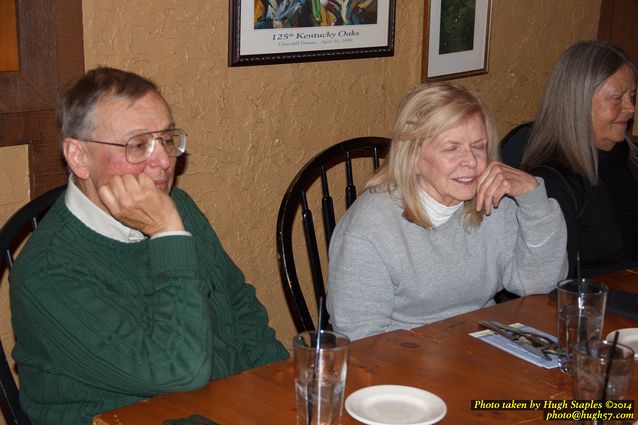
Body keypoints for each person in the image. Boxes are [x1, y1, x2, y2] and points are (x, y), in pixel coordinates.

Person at [9, 67, 289, 425]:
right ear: (79, 157)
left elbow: (237, 306)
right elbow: (176, 369)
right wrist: (167, 234)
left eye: (168, 139)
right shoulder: (47, 274)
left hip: (221, 408)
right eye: (138, 145)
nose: (163, 161)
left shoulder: (178, 205)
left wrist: (285, 390)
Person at [326, 82, 568, 341]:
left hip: (482, 346)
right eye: (451, 148)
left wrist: (534, 198)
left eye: (478, 146)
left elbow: (539, 284)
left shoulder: (494, 202)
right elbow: (362, 340)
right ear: (414, 158)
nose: (472, 162)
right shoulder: (369, 230)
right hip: (402, 361)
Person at [521, 40, 638, 278]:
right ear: (579, 102)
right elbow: (553, 281)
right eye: (617, 98)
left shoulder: (630, 160)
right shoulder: (551, 179)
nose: (630, 108)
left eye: (632, 96)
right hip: (588, 306)